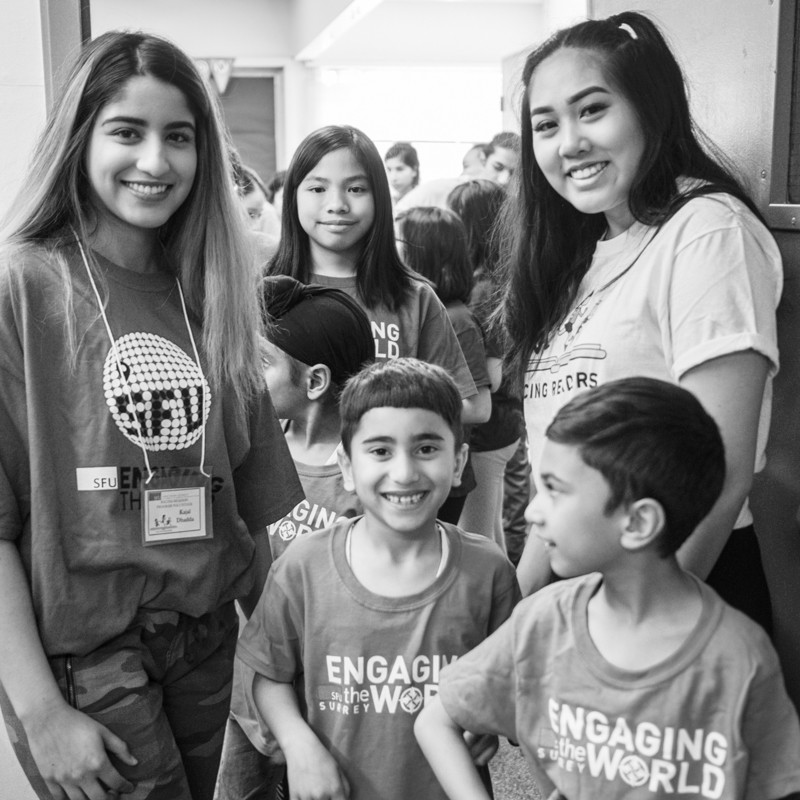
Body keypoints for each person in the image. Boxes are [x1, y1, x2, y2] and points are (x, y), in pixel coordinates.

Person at [0, 31, 303, 800]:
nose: (156, 161)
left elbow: (251, 507)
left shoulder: (213, 290)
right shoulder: (24, 288)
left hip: (208, 637)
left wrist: (280, 672)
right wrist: (38, 712)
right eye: (127, 132)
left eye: (179, 137)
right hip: (89, 655)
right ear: (80, 139)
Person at [499, 12, 782, 630]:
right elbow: (554, 484)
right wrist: (510, 622)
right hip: (579, 594)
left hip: (680, 584)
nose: (568, 141)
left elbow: (722, 473)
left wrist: (639, 635)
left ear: (650, 110)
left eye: (592, 110)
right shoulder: (583, 254)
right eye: (545, 124)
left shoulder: (706, 231)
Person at [416, 377, 800, 798]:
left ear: (637, 523)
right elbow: (437, 720)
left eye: (555, 492)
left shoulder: (740, 657)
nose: (532, 510)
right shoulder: (541, 622)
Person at [236, 358, 520, 800]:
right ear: (347, 466)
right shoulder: (303, 566)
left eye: (427, 448)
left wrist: (488, 719)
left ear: (460, 461)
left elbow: (507, 685)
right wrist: (299, 745)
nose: (404, 472)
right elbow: (269, 676)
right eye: (381, 451)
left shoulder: (489, 572)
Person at [216, 275, 374, 800]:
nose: (242, 374)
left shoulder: (364, 479)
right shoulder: (251, 453)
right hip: (247, 693)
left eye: (260, 363)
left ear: (315, 381)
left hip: (332, 699)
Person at [267, 124, 488, 425]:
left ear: (380, 199)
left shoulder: (415, 298)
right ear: (293, 197)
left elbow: (463, 404)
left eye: (356, 189)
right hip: (286, 470)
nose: (337, 206)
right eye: (318, 189)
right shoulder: (261, 292)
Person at [447, 179, 526, 560]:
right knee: (489, 533)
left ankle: (495, 616)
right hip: (506, 423)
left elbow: (491, 376)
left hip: (490, 429)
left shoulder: (483, 290)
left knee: (477, 543)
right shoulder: (504, 276)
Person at [396, 206, 489, 526]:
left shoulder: (456, 319)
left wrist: (400, 404)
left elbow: (478, 408)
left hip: (440, 470)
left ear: (425, 255)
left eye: (399, 247)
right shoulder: (412, 311)